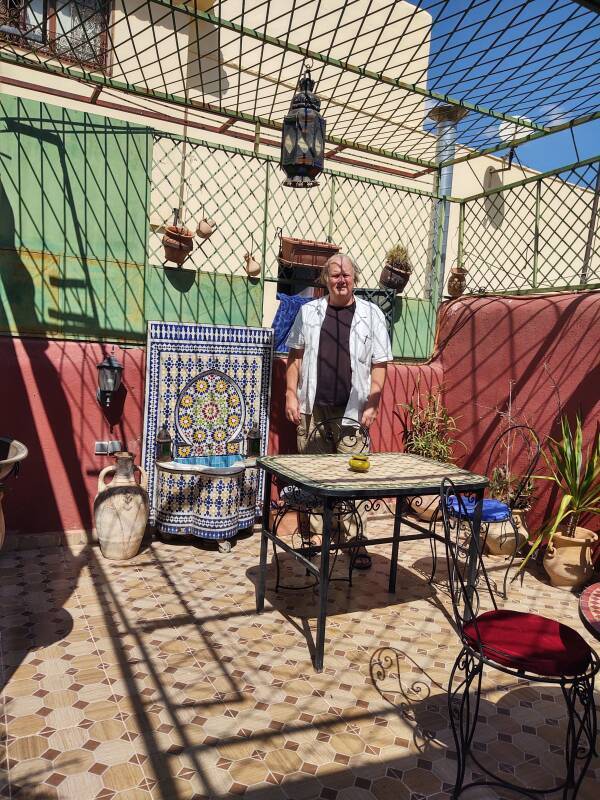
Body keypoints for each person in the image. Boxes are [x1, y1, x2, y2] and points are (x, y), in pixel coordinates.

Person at [285, 252, 393, 569]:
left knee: (353, 477)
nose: (341, 279)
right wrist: (291, 394)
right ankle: (317, 536)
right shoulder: (308, 313)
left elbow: (380, 364)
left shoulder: (372, 315)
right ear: (326, 280)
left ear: (355, 278)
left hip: (353, 411)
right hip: (313, 409)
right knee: (315, 475)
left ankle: (355, 539)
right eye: (334, 274)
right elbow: (295, 357)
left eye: (346, 274)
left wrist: (372, 403)